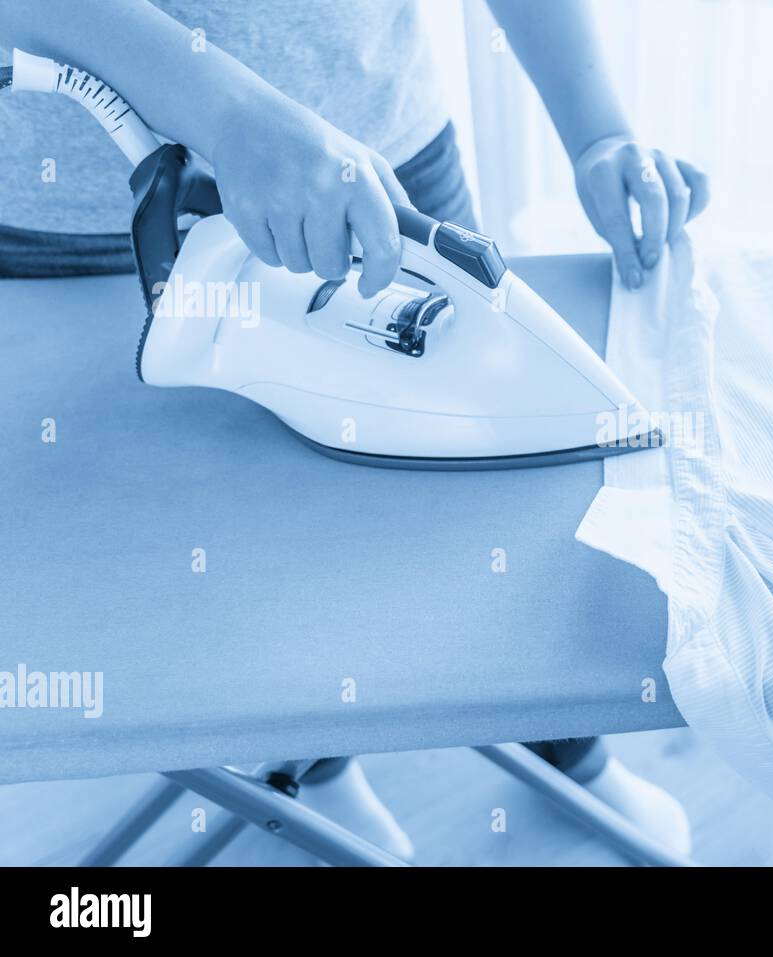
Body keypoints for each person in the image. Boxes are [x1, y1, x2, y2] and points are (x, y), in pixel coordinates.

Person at [0, 0, 706, 862]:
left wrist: (597, 131)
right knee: (218, 539)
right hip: (76, 210)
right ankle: (313, 768)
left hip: (386, 151)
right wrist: (237, 115)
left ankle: (563, 744)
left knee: (493, 521)